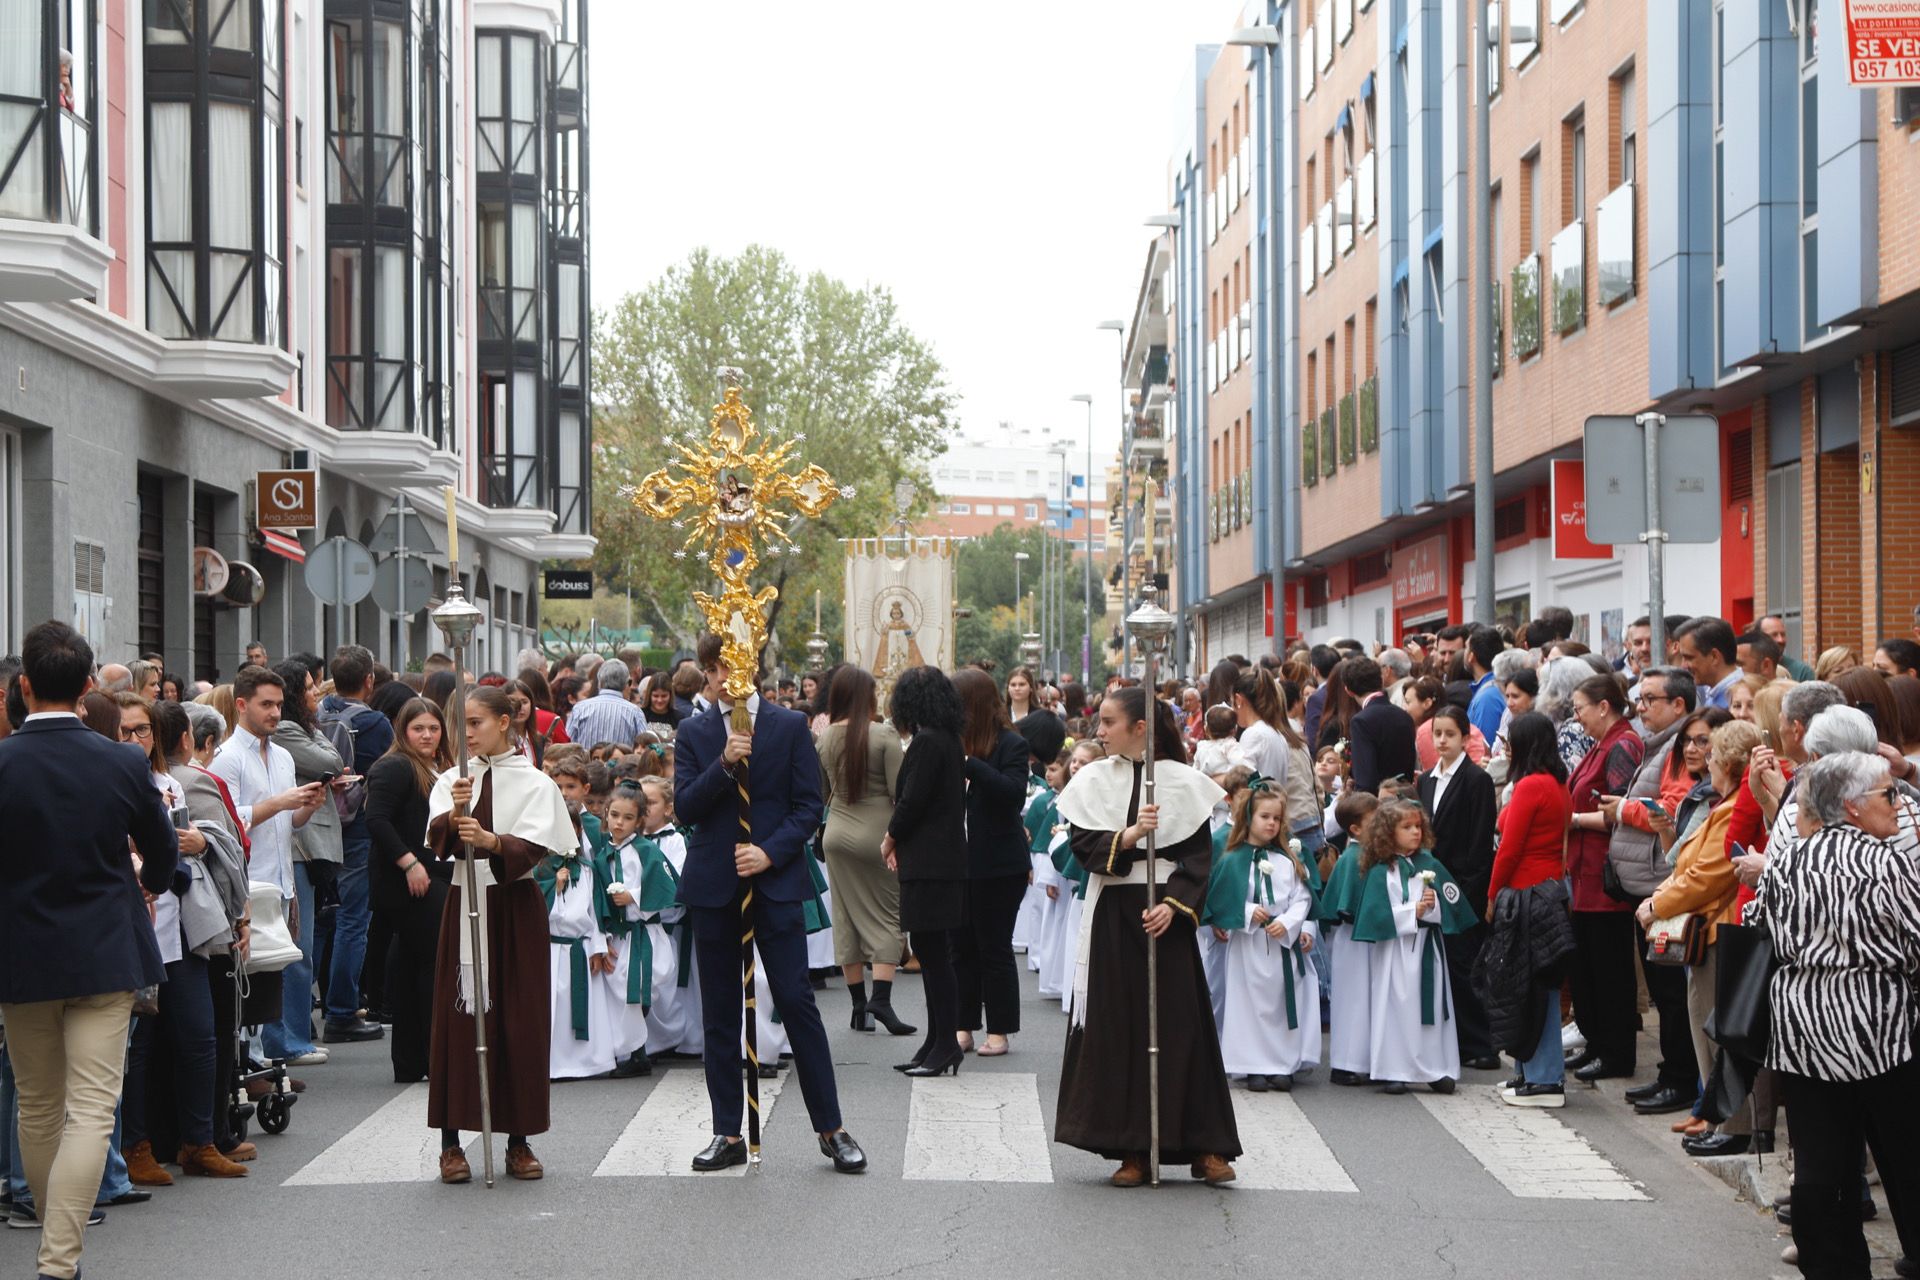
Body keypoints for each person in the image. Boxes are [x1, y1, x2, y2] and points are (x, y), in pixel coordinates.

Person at [0, 622, 179, 1280]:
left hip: (20, 952)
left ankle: (56, 1250)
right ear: (84, 688)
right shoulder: (123, 762)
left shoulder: (3, 763)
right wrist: (149, 887)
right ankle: (58, 1259)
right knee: (91, 1110)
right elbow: (160, 851)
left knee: (39, 1105)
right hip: (104, 946)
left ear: (22, 687)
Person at [673, 634, 865, 1174]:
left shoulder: (787, 726)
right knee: (719, 1014)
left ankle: (832, 1128)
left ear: (752, 668)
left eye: (735, 667)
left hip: (774, 880)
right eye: (715, 670)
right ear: (708, 674)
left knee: (797, 1002)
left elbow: (809, 807)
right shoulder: (694, 731)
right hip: (714, 882)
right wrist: (724, 764)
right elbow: (686, 805)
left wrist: (769, 851)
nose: (725, 679)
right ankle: (726, 1130)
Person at [1053, 686, 1239, 1187]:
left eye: (1109, 722)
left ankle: (1204, 1145)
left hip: (1165, 918)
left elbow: (1199, 857)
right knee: (1120, 1029)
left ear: (1140, 728)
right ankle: (1130, 1147)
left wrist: (1175, 904)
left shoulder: (1182, 782)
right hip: (1115, 912)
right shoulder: (1093, 780)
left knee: (1182, 1028)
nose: (1099, 731)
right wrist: (1130, 836)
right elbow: (1082, 848)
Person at [1752, 752, 1920, 1277]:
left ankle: (1834, 1266)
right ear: (1851, 805)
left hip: (1804, 1028)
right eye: (1888, 796)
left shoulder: (1785, 860)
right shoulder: (1888, 861)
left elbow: (1760, 925)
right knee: (1904, 1149)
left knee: (1821, 1162)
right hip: (1882, 1025)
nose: (1899, 805)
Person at [424, 685, 572, 1184]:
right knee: (459, 1019)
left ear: (504, 722)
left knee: (517, 1020)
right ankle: (450, 1143)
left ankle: (518, 1139)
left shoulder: (534, 781)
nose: (465, 733)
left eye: (475, 723)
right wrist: (454, 814)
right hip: (465, 901)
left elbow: (536, 847)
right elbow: (437, 841)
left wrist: (492, 841)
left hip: (514, 905)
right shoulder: (450, 779)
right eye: (459, 724)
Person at [1637, 718, 1766, 1156]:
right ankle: (1720, 1119)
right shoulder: (1723, 802)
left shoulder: (1731, 808)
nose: (1706, 761)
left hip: (1719, 930)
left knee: (1721, 1034)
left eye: (1711, 754)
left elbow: (1707, 876)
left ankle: (1735, 1125)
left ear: (1727, 761)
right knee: (1706, 1030)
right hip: (1709, 931)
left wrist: (1657, 905)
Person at [208, 667, 329, 1067]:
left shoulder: (280, 755)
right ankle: (250, 1062)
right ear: (242, 705)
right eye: (266, 704)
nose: (275, 712)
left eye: (279, 704)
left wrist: (306, 807)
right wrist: (281, 803)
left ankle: (262, 1058)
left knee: (271, 973)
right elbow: (226, 821)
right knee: (247, 976)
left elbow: (287, 825)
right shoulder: (226, 757)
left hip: (280, 879)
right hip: (247, 881)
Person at [1597, 666, 1700, 1117]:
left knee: (1673, 993)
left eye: (1649, 700)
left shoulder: (1680, 745)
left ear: (1678, 704)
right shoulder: (1658, 743)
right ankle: (1670, 1074)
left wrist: (1623, 808)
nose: (1640, 708)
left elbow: (1672, 814)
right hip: (1647, 880)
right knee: (1665, 987)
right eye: (1639, 699)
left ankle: (1678, 1079)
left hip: (1663, 884)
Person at [814, 667, 912, 1035]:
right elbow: (898, 791)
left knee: (846, 917)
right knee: (888, 915)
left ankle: (859, 1006)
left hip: (836, 832)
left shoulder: (824, 739)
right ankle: (882, 999)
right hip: (878, 833)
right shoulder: (883, 734)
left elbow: (823, 793)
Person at [882, 667, 969, 1077]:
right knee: (934, 953)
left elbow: (911, 800)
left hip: (929, 860)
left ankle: (945, 1043)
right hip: (941, 858)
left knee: (934, 956)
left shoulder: (928, 742)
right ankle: (937, 1041)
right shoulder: (947, 738)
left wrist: (891, 836)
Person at [1350, 798, 1472, 1093]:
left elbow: (1453, 908)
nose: (1415, 832)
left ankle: (1435, 1067)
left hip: (1427, 949)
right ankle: (1395, 1069)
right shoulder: (1382, 871)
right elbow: (1375, 915)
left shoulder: (1430, 865)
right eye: (1407, 827)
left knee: (1429, 1008)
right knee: (1395, 1007)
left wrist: (1431, 908)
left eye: (1418, 826)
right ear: (1388, 832)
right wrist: (1411, 913)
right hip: (1395, 952)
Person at [1204, 783, 1319, 1092]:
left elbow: (1303, 897)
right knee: (1249, 1003)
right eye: (1264, 816)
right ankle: (1251, 1064)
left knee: (1281, 1002)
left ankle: (1281, 1064)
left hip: (1281, 942)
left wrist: (1289, 922)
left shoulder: (1288, 860)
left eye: (1277, 818)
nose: (1271, 823)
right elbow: (1222, 898)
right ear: (1248, 818)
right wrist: (1247, 912)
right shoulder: (1232, 859)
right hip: (1250, 947)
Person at [1560, 674, 1645, 1082]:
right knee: (1589, 968)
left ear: (1604, 706)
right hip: (1584, 874)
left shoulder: (1623, 744)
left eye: (1580, 709)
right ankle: (1596, 1043)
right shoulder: (1601, 744)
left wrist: (1573, 819)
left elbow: (1618, 810)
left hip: (1606, 876)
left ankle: (1615, 1052)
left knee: (1610, 971)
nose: (1578, 718)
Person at [365, 697, 453, 1084]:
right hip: (408, 882)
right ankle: (433, 1057)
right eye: (419, 728)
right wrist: (410, 863)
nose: (428, 735)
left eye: (434, 728)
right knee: (433, 964)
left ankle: (413, 1060)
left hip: (428, 876)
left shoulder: (433, 767)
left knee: (412, 965)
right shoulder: (396, 766)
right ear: (403, 730)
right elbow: (377, 820)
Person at [1488, 712, 1574, 1106]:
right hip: (1550, 888)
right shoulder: (1557, 784)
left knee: (1531, 987)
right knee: (1535, 985)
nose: (1506, 748)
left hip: (1526, 892)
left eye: (1510, 742)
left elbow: (1509, 848)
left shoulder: (1530, 786)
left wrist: (1492, 895)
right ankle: (1531, 1072)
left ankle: (1544, 1079)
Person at [950, 666, 1032, 1058]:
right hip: (957, 863)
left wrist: (972, 765)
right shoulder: (948, 742)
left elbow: (1013, 794)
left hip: (1000, 864)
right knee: (960, 947)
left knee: (994, 947)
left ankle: (999, 1029)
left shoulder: (1010, 744)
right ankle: (962, 1025)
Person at [267, 659, 346, 1064]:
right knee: (294, 950)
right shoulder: (286, 730)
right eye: (311, 689)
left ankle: (291, 1036)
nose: (317, 695)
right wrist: (320, 741)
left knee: (299, 951)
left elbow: (332, 756)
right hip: (294, 850)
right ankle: (288, 1040)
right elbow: (331, 762)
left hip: (298, 848)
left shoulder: (301, 729)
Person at [316, 645, 393, 1044]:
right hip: (358, 829)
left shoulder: (316, 714)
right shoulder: (377, 724)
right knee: (352, 920)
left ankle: (313, 1006)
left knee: (319, 919)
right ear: (369, 681)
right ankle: (343, 1011)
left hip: (315, 823)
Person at [1417, 706, 1499, 1070]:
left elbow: (1480, 841)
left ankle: (1481, 1042)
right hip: (1431, 882)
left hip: (1464, 885)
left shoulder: (1476, 780)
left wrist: (1468, 892)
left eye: (1450, 734)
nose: (1442, 741)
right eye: (1438, 734)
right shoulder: (1427, 780)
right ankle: (1453, 1037)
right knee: (1441, 963)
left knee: (1464, 965)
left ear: (1465, 738)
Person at [596, 783, 676, 1078]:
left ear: (639, 820)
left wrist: (634, 896)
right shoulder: (604, 852)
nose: (619, 822)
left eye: (627, 817)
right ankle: (632, 1050)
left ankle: (638, 1052)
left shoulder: (646, 850)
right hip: (620, 934)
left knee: (637, 991)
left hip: (643, 935)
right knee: (619, 991)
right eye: (614, 815)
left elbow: (666, 886)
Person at [566, 659, 647, 752]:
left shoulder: (580, 709)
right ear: (626, 684)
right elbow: (644, 747)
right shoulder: (635, 712)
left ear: (599, 682)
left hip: (587, 765)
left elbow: (568, 746)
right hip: (623, 766)